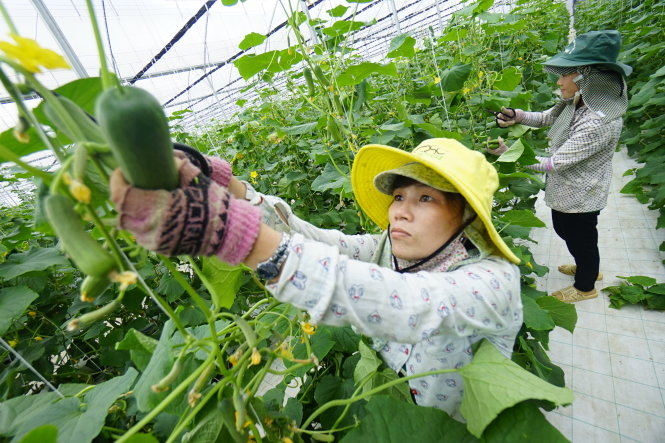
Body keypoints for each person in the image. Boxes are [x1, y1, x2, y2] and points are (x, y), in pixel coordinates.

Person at [110, 138, 522, 420]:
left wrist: (237, 237)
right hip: (396, 413)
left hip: (462, 431)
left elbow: (413, 305)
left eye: (426, 198)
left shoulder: (493, 281)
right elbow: (315, 241)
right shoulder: (384, 250)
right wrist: (232, 189)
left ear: (467, 214)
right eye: (399, 197)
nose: (400, 211)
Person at [488, 30, 632, 303]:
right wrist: (516, 116)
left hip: (582, 193)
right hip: (568, 189)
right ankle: (587, 264)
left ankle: (585, 285)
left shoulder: (599, 121)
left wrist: (510, 154)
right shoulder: (581, 101)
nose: (559, 80)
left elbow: (554, 163)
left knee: (581, 238)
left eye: (565, 74)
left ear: (584, 78)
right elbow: (547, 118)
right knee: (566, 231)